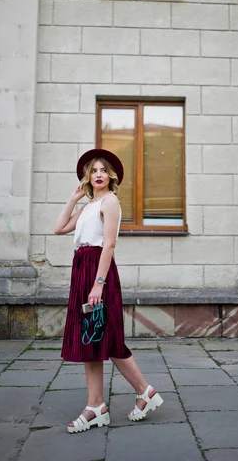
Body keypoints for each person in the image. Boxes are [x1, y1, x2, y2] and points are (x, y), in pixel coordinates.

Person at [54, 148, 164, 433]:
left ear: (111, 176)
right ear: (87, 177)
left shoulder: (111, 202)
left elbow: (109, 245)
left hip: (98, 271)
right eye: (94, 170)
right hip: (82, 269)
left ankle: (109, 402)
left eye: (103, 170)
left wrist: (98, 285)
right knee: (92, 338)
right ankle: (105, 404)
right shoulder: (88, 205)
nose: (99, 174)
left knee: (105, 336)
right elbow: (59, 228)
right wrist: (73, 198)